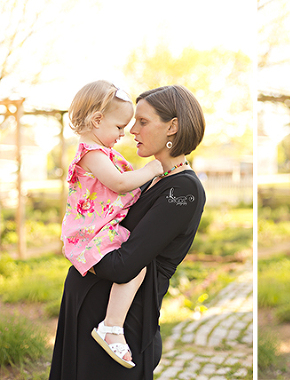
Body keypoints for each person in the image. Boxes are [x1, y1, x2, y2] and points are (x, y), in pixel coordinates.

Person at [50, 84, 206, 380]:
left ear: (172, 127)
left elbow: (124, 265)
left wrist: (80, 257)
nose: (132, 130)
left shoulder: (183, 189)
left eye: (143, 122)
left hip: (123, 320)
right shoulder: (152, 178)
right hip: (88, 307)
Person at [60, 80, 163, 368]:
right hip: (90, 234)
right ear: (96, 120)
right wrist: (152, 168)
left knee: (136, 264)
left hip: (99, 228)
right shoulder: (91, 153)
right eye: (119, 127)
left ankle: (113, 324)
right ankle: (112, 326)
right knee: (135, 265)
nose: (124, 134)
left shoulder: (101, 152)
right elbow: (118, 183)